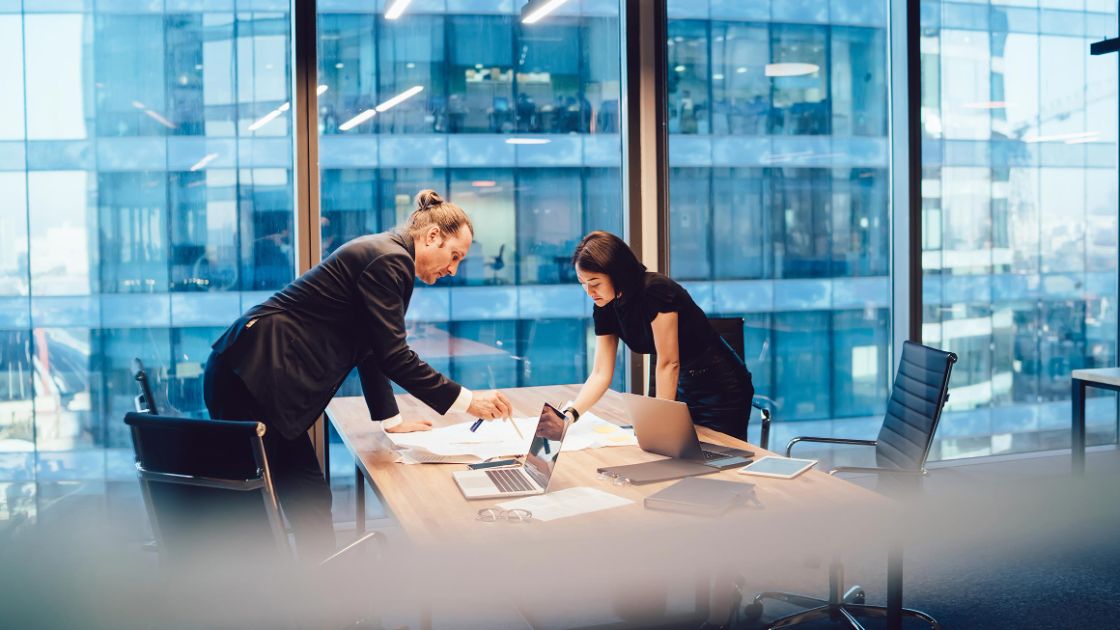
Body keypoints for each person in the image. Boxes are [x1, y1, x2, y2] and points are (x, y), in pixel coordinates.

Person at [203, 190, 513, 561]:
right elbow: (394, 355)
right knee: (277, 503)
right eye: (455, 256)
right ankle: (301, 599)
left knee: (308, 501)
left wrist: (391, 419)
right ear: (432, 237)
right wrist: (468, 400)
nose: (453, 269)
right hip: (251, 374)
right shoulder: (390, 260)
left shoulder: (389, 255)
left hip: (252, 372)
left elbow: (372, 347)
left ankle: (316, 597)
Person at [551, 231, 754, 441]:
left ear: (617, 273)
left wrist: (659, 426)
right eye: (582, 283)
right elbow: (601, 372)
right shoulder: (604, 305)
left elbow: (669, 362)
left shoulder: (655, 290)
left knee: (721, 458)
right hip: (684, 384)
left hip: (722, 387)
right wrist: (570, 416)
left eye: (595, 283)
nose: (589, 291)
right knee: (682, 455)